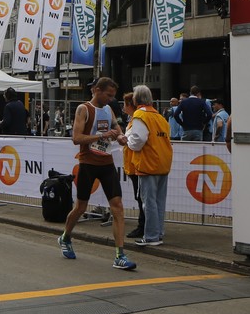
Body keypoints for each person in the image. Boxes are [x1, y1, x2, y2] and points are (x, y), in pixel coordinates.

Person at [57, 77, 137, 271]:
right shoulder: (84, 109)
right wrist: (102, 135)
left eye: (113, 96)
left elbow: (116, 128)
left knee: (117, 207)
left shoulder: (108, 109)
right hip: (88, 163)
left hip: (106, 163)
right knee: (80, 207)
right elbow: (76, 138)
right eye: (108, 95)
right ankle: (65, 237)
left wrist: (121, 137)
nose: (111, 99)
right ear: (97, 90)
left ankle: (120, 255)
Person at [124, 85, 173, 247]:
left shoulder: (140, 115)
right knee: (159, 202)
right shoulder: (159, 116)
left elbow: (138, 140)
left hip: (148, 163)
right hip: (163, 163)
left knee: (149, 202)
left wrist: (127, 142)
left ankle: (151, 236)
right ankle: (158, 233)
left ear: (136, 99)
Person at [120, 91, 145, 240]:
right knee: (139, 196)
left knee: (141, 197)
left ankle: (143, 226)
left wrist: (125, 141)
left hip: (136, 166)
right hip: (132, 165)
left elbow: (136, 141)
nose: (123, 107)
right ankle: (143, 225)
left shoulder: (137, 120)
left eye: (125, 104)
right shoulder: (132, 120)